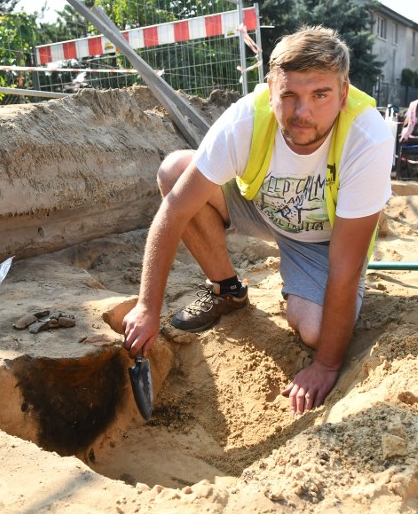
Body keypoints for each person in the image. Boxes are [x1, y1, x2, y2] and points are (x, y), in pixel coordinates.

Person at [122, 25, 394, 414]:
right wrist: (147, 307)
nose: (303, 112)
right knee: (174, 171)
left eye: (320, 95)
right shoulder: (246, 120)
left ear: (343, 93)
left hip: (324, 242)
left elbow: (346, 265)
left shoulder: (368, 138)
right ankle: (228, 290)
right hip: (262, 210)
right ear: (270, 87)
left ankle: (301, 285)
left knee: (315, 332)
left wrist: (327, 365)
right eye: (289, 95)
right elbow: (176, 208)